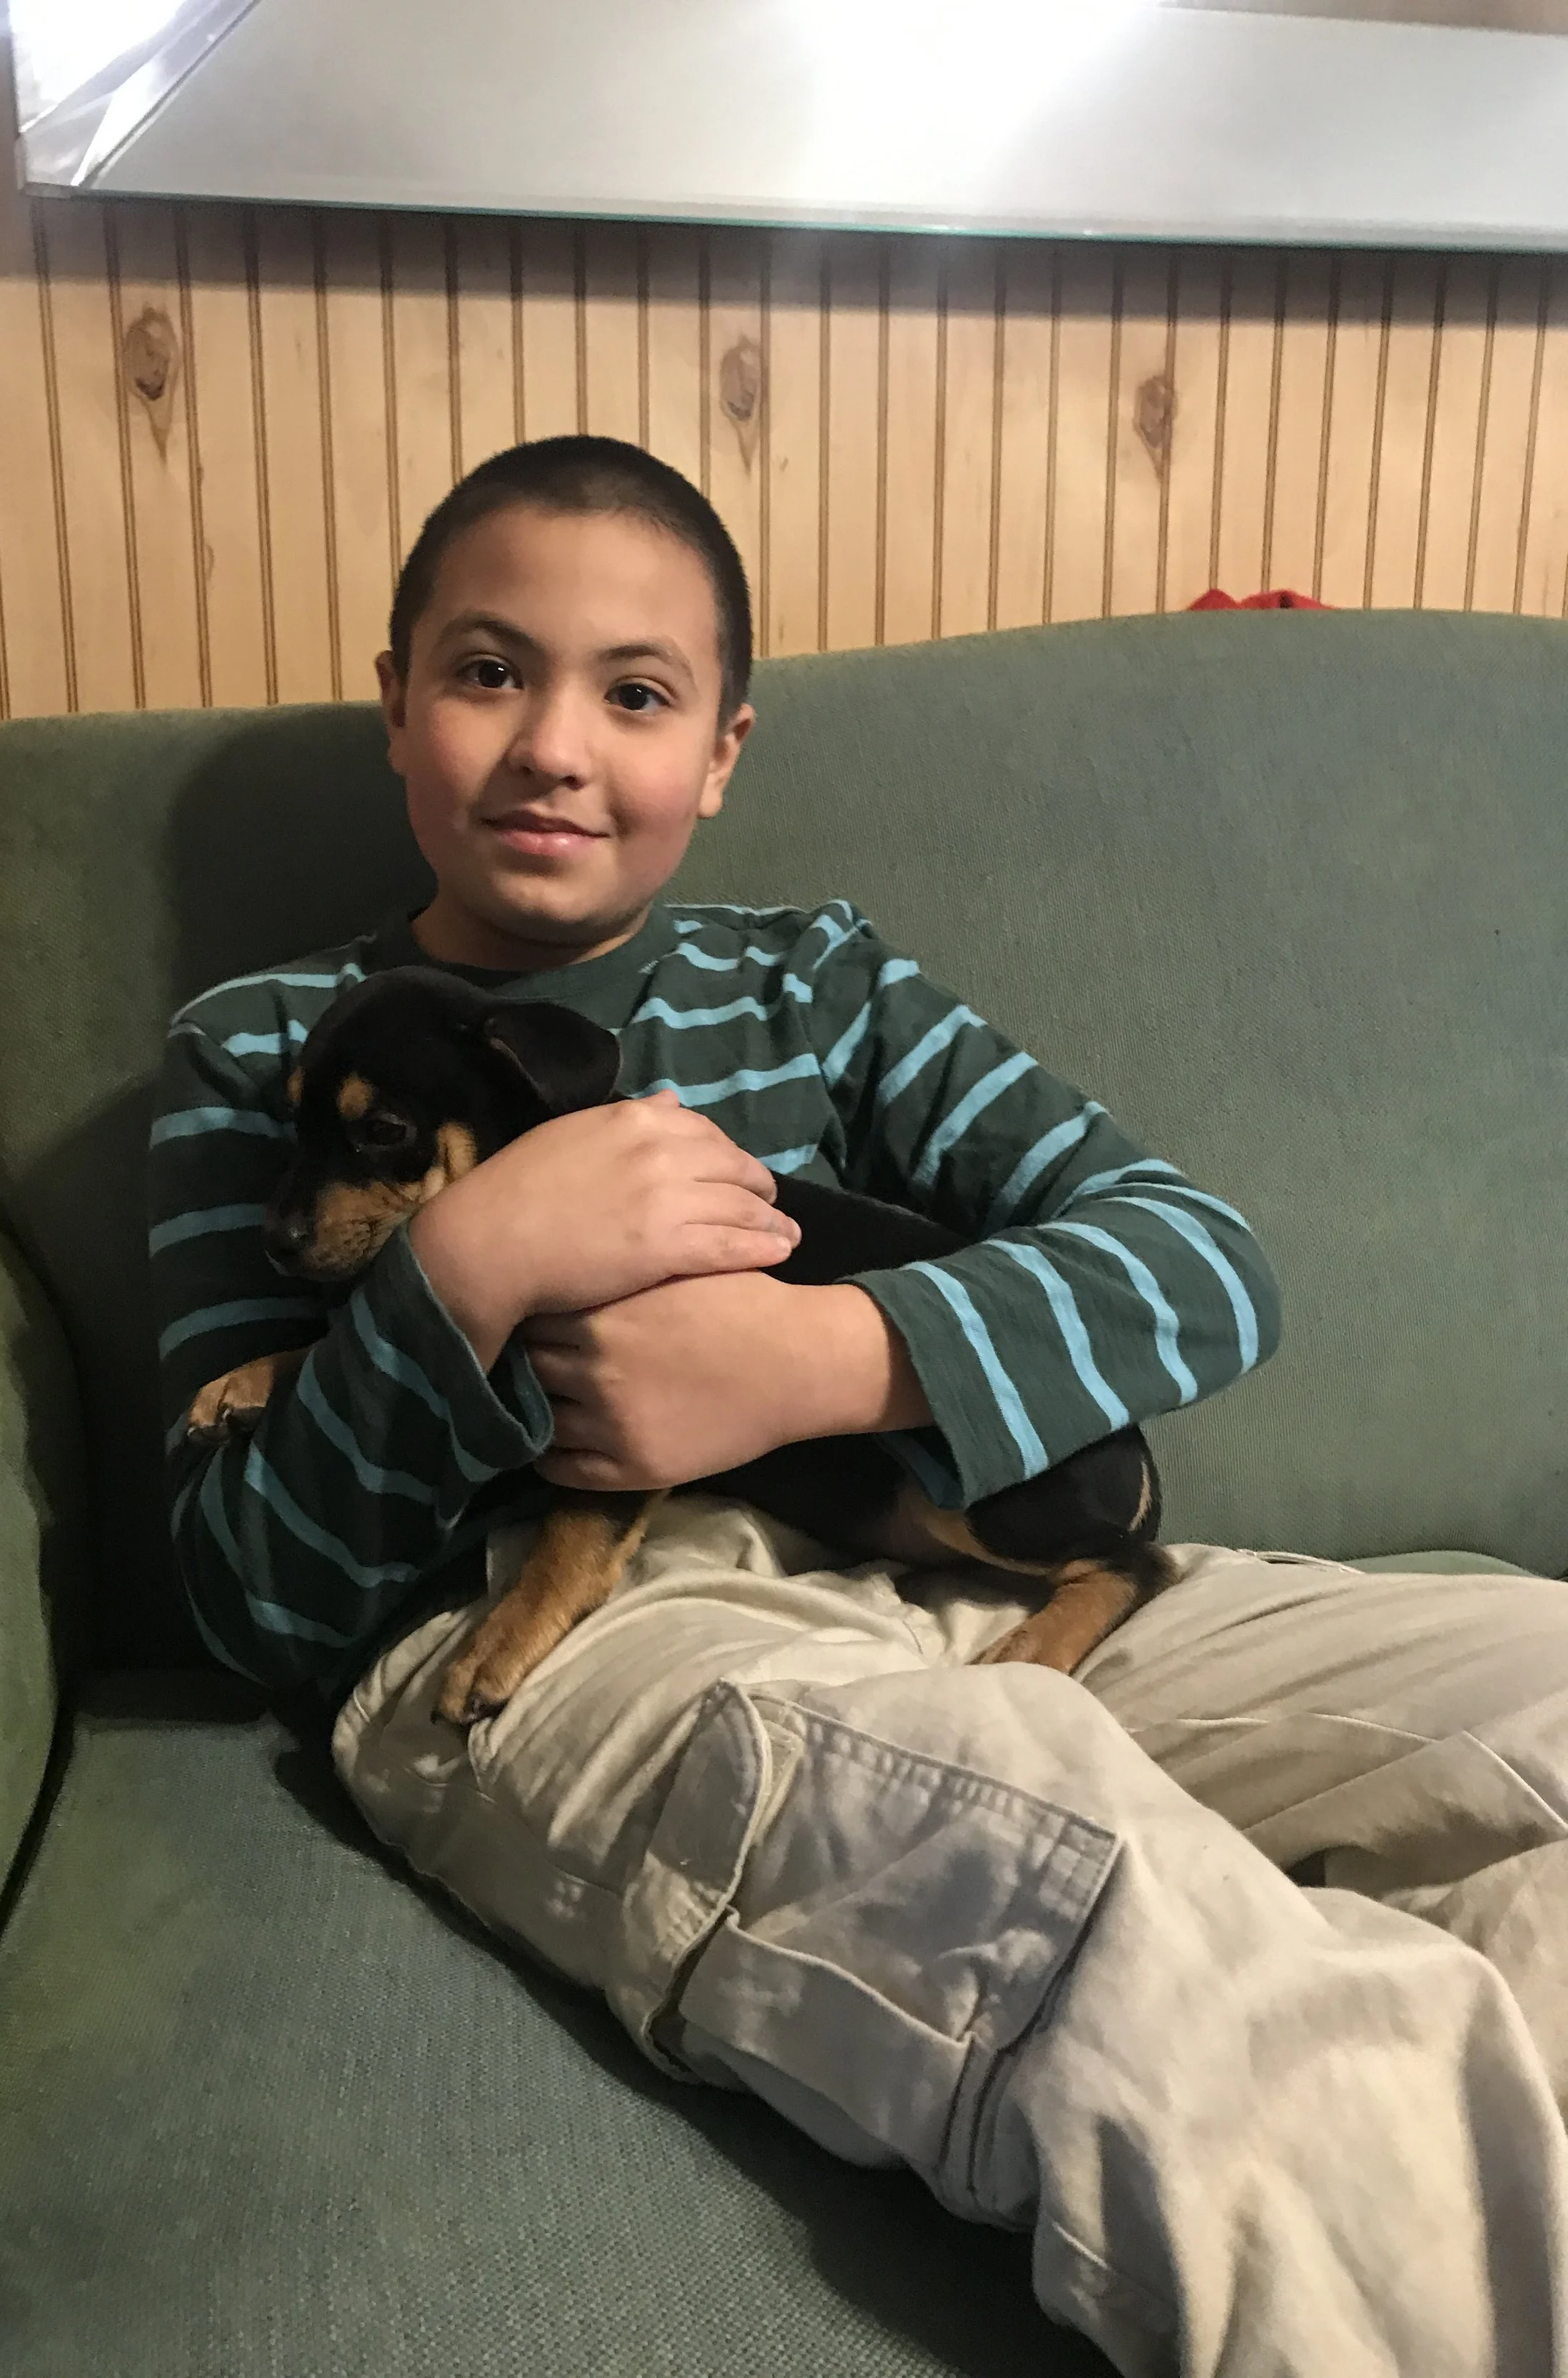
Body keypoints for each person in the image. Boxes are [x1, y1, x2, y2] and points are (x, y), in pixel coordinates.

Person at [150, 435, 1568, 2375]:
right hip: (561, 1631)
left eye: (634, 692)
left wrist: (807, 1357)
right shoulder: (257, 1047)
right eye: (489, 669)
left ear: (722, 746)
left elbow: (1191, 1257)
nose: (556, 744)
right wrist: (469, 1260)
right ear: (392, 697)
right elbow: (247, 1594)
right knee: (1099, 1905)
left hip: (946, 1542)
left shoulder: (815, 985)